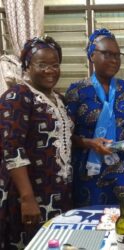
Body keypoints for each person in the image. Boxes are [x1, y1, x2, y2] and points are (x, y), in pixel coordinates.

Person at [0, 36, 73, 249]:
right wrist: (27, 198)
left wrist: (88, 142)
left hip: (58, 190)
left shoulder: (58, 98)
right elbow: (11, 148)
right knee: (32, 243)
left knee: (57, 241)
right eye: (42, 65)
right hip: (29, 191)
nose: (50, 70)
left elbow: (63, 138)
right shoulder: (17, 96)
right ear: (27, 66)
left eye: (55, 65)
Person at [65, 28, 124, 207]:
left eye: (117, 55)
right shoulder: (77, 90)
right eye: (107, 54)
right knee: (89, 218)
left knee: (119, 216)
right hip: (88, 169)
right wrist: (89, 143)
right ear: (92, 55)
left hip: (119, 166)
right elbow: (66, 136)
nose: (114, 60)